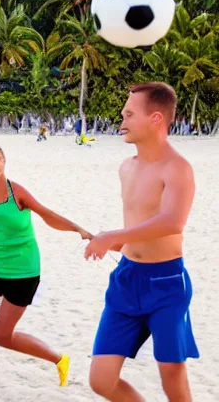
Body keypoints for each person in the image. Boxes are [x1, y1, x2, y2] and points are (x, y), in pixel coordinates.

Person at [0, 144, 92, 395]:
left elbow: (48, 215)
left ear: (4, 162)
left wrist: (79, 229)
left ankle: (59, 359)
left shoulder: (17, 193)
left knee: (1, 336)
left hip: (23, 271)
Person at [84, 82, 199, 402]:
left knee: (172, 377)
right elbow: (137, 224)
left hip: (166, 283)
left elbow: (172, 222)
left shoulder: (177, 168)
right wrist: (112, 241)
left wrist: (112, 237)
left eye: (129, 114)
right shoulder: (127, 167)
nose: (121, 121)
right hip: (126, 278)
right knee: (102, 380)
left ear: (156, 119)